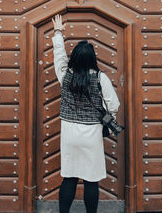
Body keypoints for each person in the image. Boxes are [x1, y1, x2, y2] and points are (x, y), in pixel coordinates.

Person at [52, 14, 120, 213]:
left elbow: (59, 55)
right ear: (92, 58)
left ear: (74, 58)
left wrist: (58, 32)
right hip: (92, 134)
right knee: (91, 179)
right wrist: (106, 120)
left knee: (69, 177)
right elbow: (113, 104)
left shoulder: (65, 76)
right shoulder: (101, 78)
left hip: (69, 134)